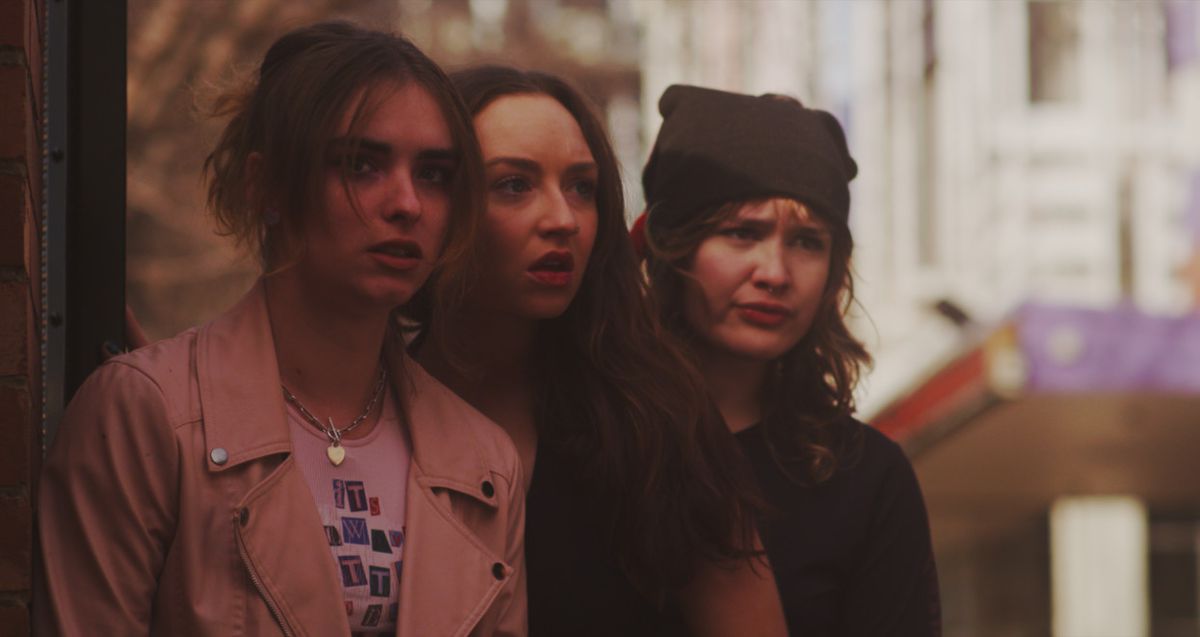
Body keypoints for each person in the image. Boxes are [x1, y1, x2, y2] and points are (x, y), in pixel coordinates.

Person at [37, 22, 526, 637]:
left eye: (434, 174)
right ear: (265, 184)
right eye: (361, 164)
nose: (407, 203)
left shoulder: (483, 466)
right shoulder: (145, 415)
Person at [413, 67, 787, 637]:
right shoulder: (364, 412)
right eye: (514, 184)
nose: (562, 219)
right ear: (439, 200)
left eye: (582, 187)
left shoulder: (658, 418)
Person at [635, 85, 942, 636]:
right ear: (671, 245)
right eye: (742, 233)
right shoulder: (586, 438)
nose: (775, 272)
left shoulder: (866, 478)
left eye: (806, 242)